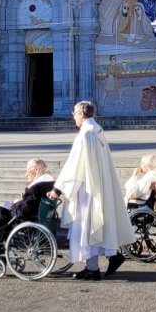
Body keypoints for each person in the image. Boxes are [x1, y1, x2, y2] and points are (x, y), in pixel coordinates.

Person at [51, 101, 135, 280]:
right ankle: (95, 265)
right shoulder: (97, 130)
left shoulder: (86, 134)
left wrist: (57, 189)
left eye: (74, 113)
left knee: (87, 227)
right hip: (98, 185)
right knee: (92, 228)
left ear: (82, 114)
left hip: (88, 189)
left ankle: (94, 268)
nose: (73, 117)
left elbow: (74, 165)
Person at [0, 158, 56, 263]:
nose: (26, 174)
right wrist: (21, 201)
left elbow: (25, 210)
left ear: (36, 170)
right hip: (33, 216)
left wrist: (16, 204)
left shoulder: (36, 186)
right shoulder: (47, 183)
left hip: (23, 218)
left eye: (27, 171)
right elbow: (30, 204)